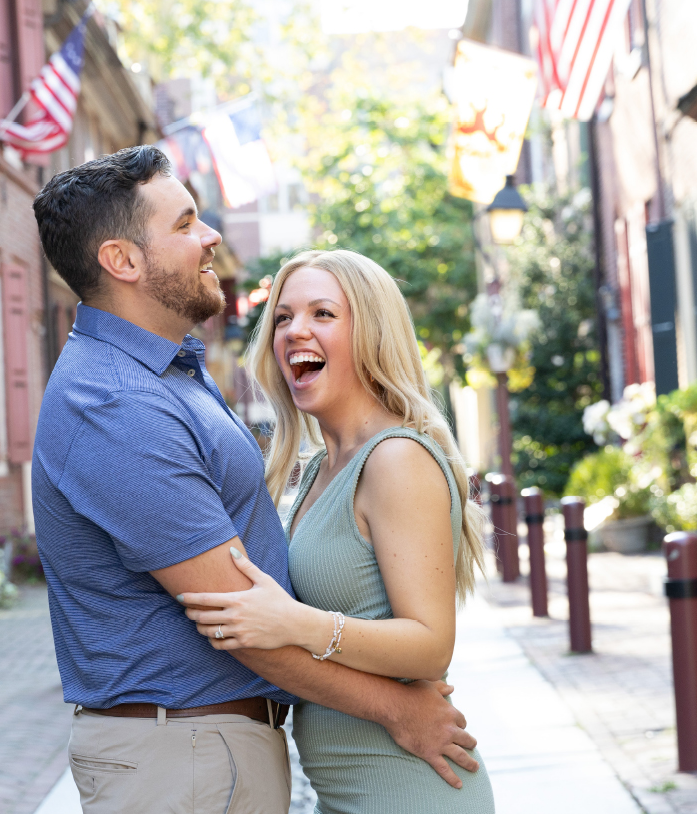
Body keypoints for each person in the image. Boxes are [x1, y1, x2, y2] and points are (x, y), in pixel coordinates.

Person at [30, 147, 483, 813]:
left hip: (227, 758)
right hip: (186, 759)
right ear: (122, 261)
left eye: (323, 314)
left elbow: (281, 618)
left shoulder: (170, 375)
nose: (211, 236)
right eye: (185, 224)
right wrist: (397, 710)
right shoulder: (119, 404)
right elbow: (242, 621)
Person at [178, 248, 496, 813]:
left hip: (408, 792)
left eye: (323, 313)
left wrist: (294, 623)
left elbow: (429, 645)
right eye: (283, 317)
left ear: (371, 334)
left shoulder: (395, 459)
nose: (295, 329)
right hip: (347, 795)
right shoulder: (322, 467)